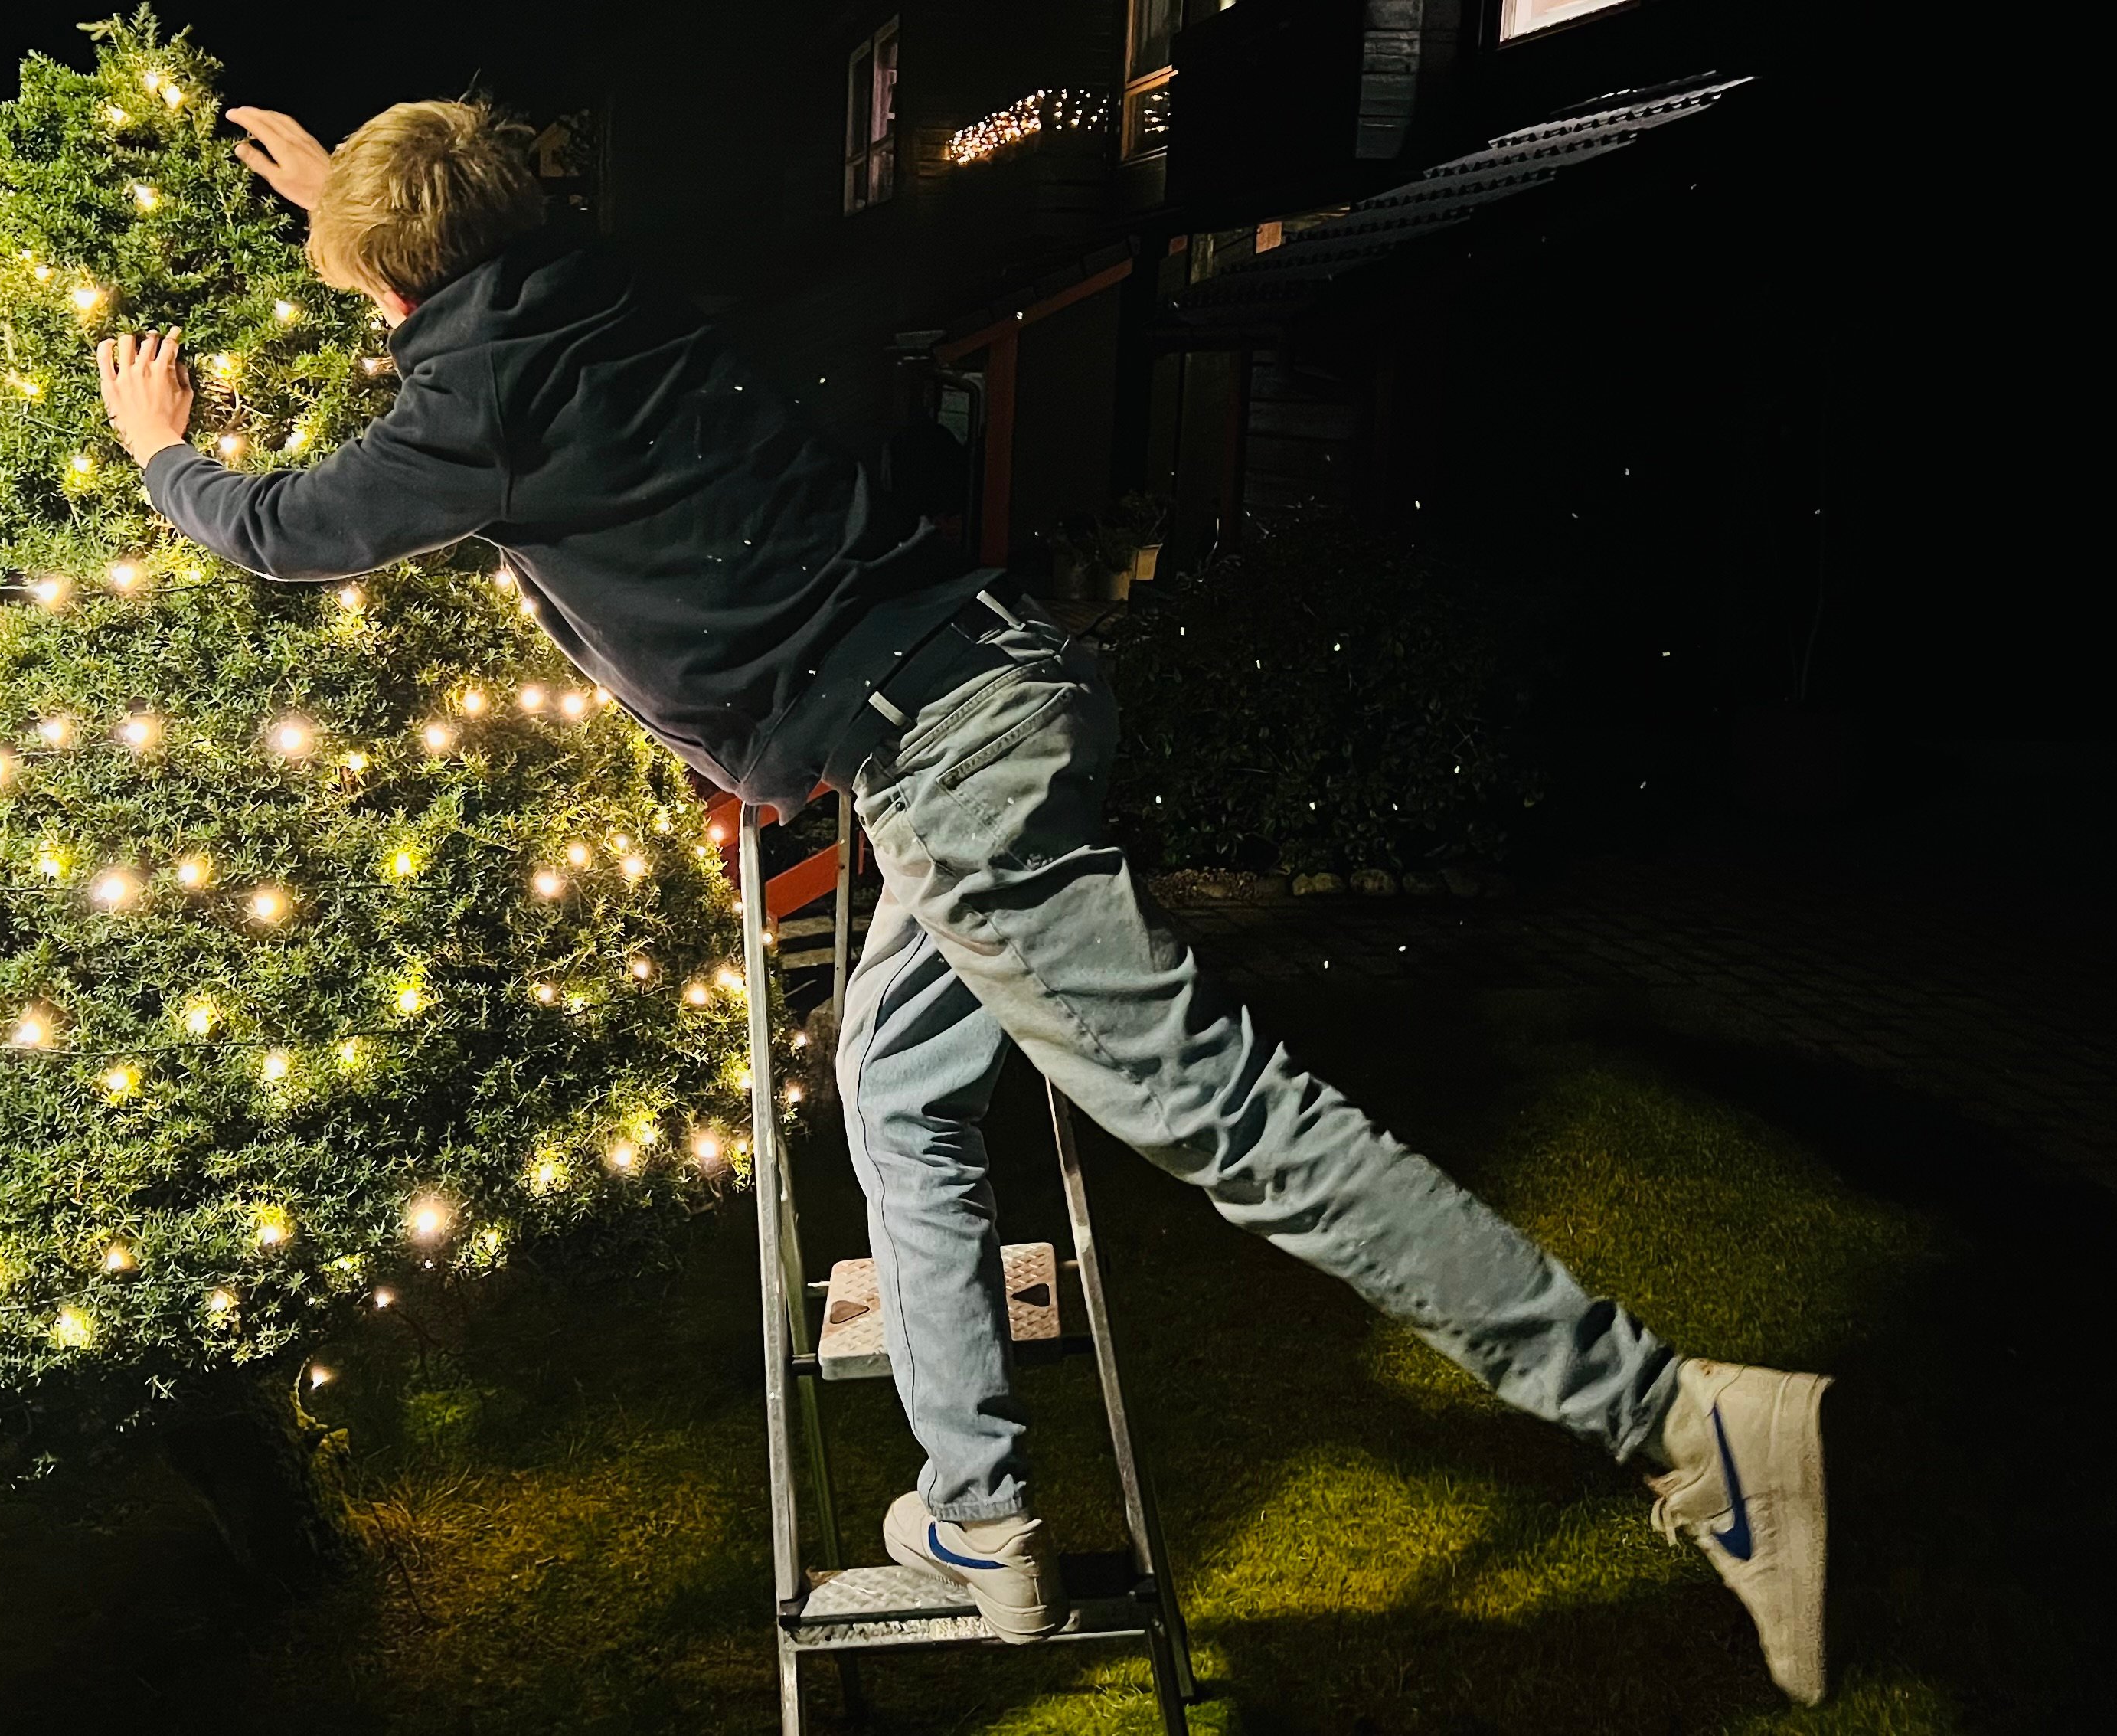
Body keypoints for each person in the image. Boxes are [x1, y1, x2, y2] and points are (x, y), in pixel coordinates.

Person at [98, 100, 1836, 1707]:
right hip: (984, 689)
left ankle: (1679, 1418)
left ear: (399, 283)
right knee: (895, 1084)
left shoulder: (473, 403)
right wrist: (349, 199)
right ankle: (981, 1518)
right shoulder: (582, 285)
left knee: (1226, 1117)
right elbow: (460, 257)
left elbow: (284, 528)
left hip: (947, 754)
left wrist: (165, 453)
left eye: (361, 271)